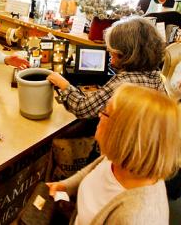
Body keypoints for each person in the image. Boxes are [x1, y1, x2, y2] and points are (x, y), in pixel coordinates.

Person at [47, 83, 181, 224]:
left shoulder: (136, 218)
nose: (99, 115)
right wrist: (65, 186)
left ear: (124, 134)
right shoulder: (119, 160)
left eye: (105, 112)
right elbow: (94, 170)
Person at [48, 17, 165, 119]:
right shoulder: (157, 76)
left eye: (111, 53)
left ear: (124, 54)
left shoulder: (123, 83)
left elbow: (82, 108)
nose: (110, 58)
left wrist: (63, 84)